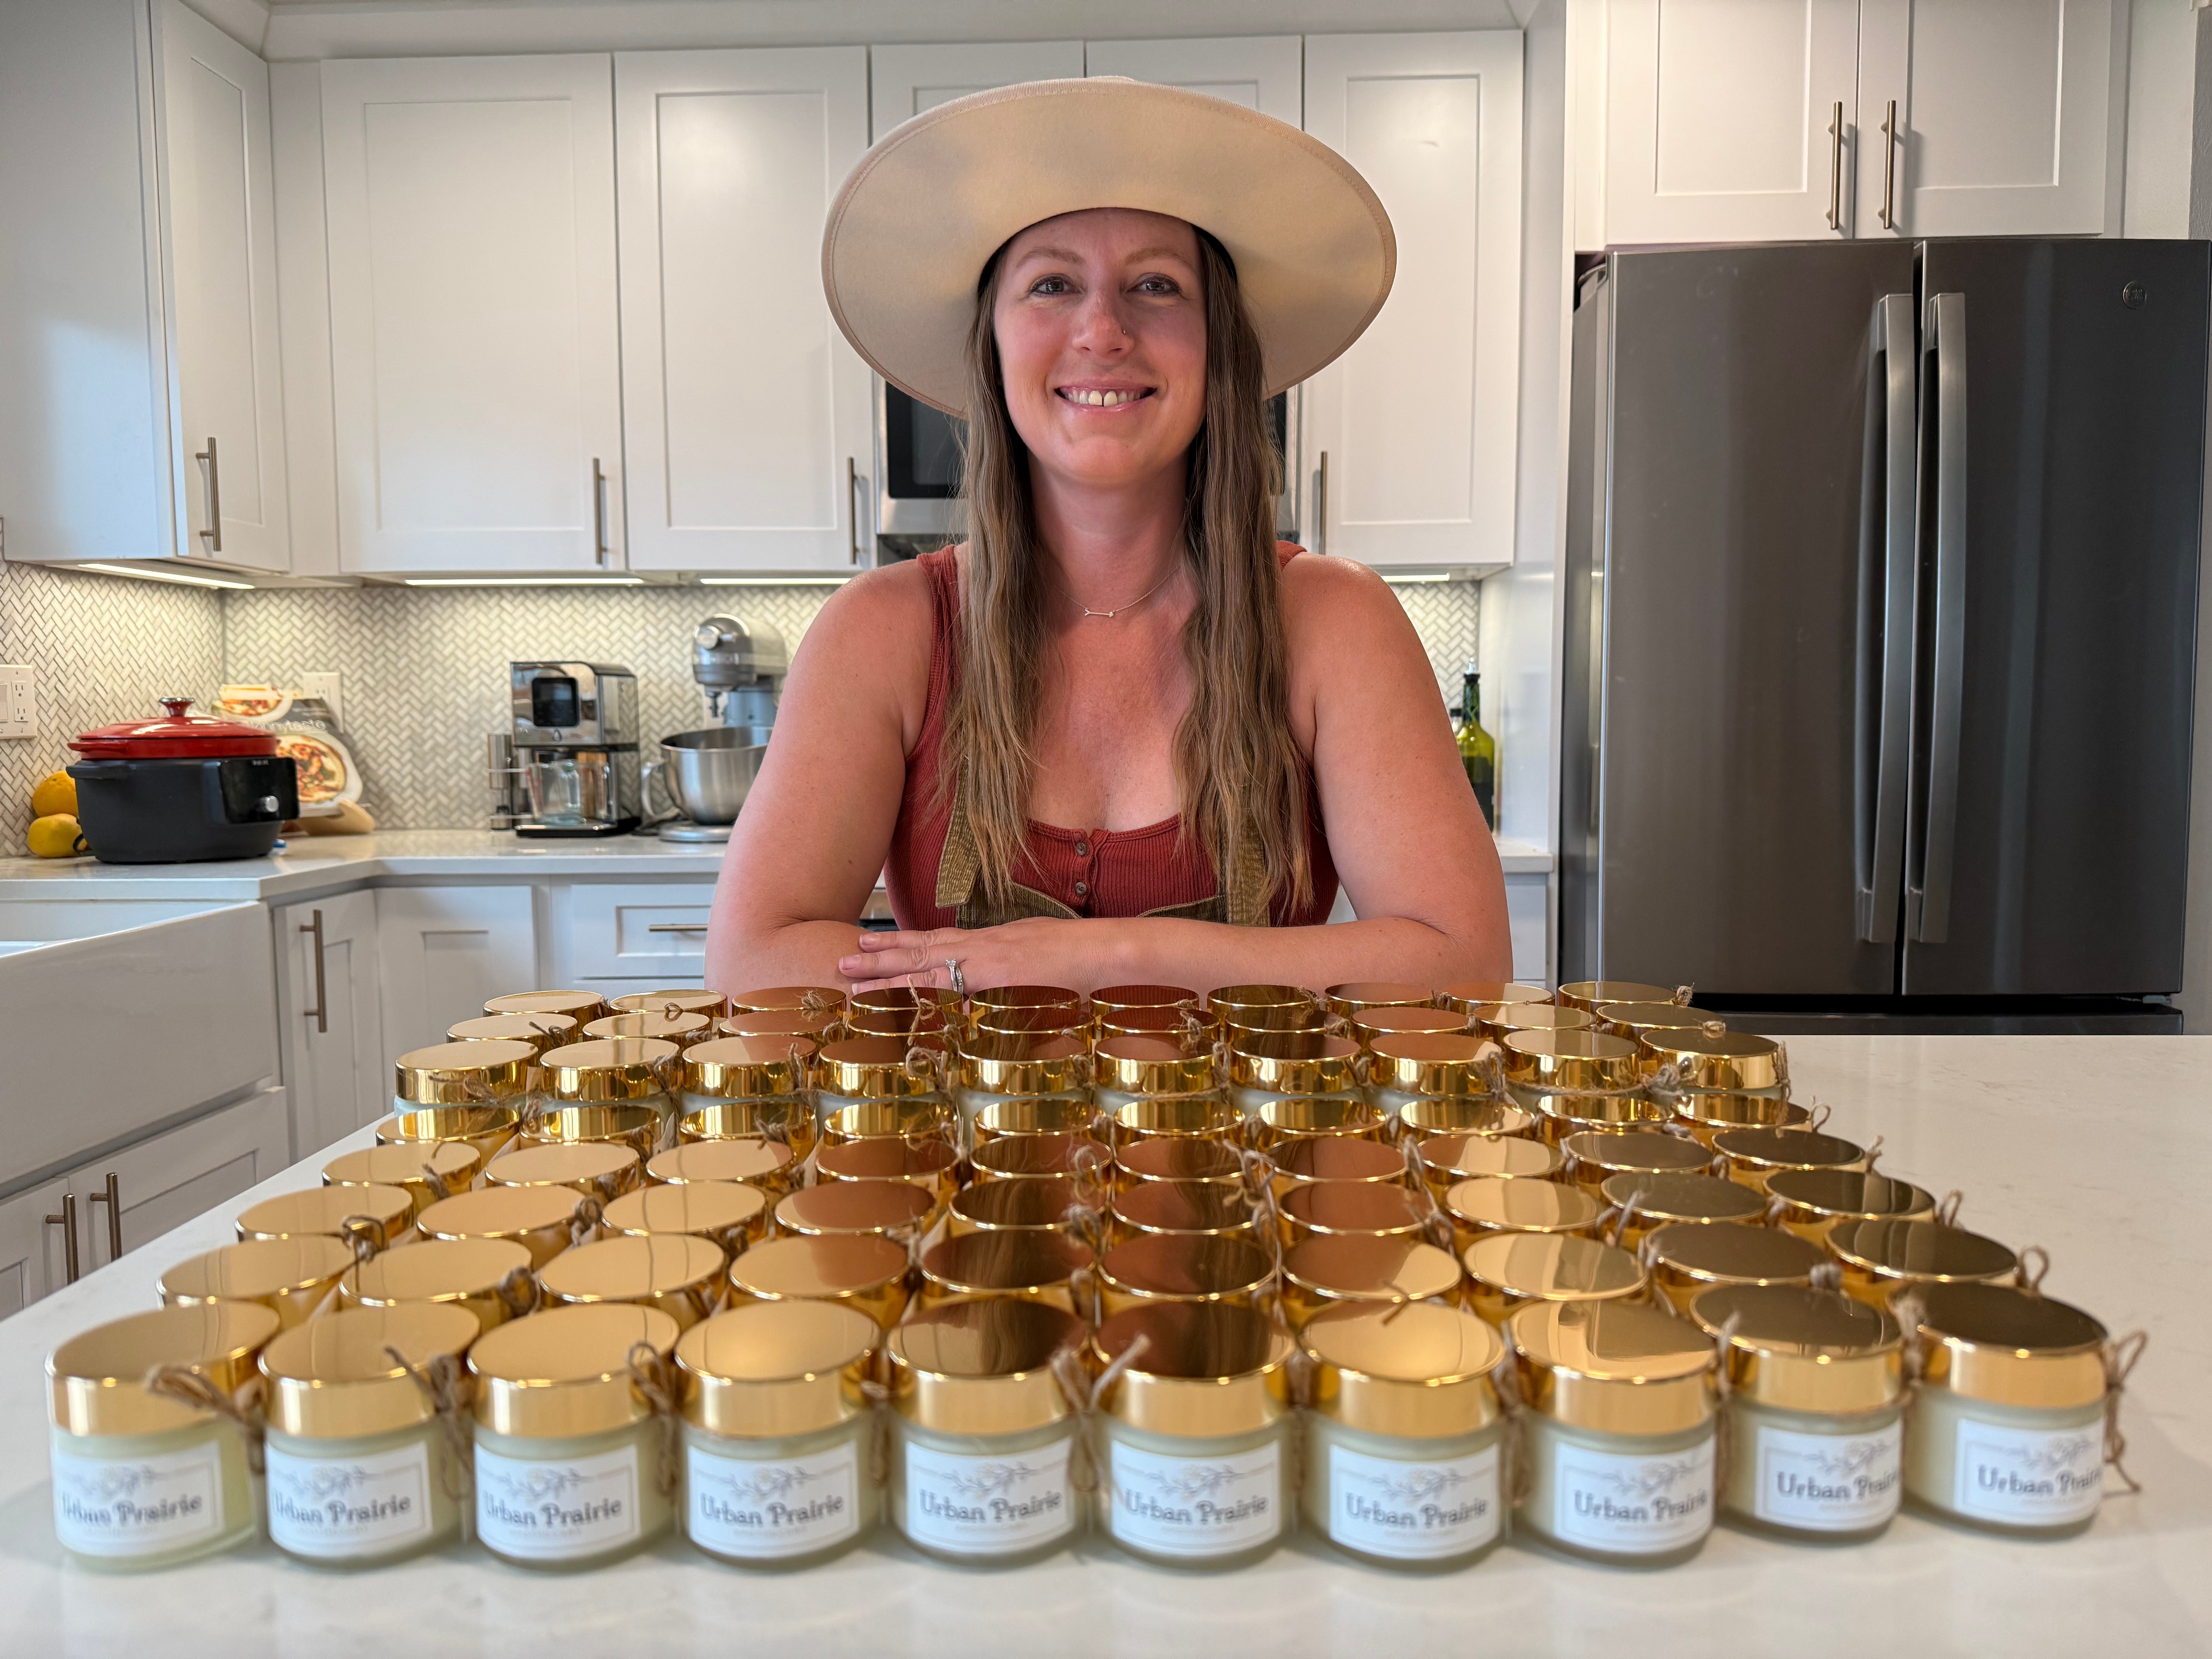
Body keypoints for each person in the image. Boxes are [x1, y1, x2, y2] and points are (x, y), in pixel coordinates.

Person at [705, 78, 1510, 998]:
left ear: (1218, 345)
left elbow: (1465, 965)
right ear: (993, 344)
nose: (1102, 331)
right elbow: (752, 966)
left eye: (1156, 285)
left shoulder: (1334, 621)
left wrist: (1100, 958)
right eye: (1051, 284)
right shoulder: (886, 631)